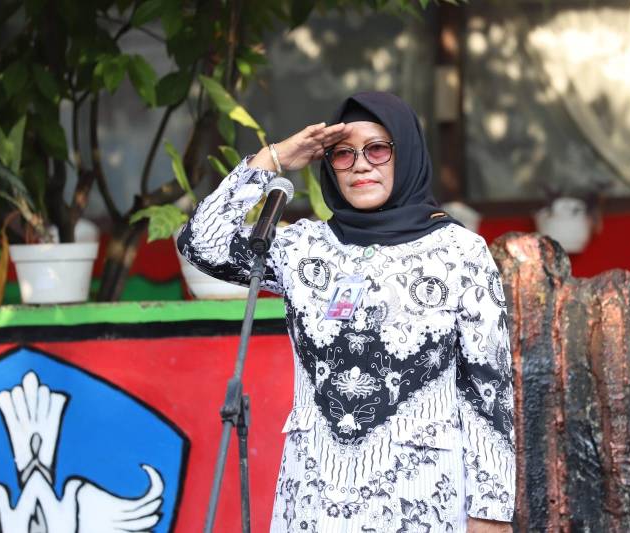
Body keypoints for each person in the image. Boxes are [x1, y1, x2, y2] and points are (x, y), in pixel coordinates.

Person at [177, 91, 515, 532]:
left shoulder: (458, 251)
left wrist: (491, 511)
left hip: (419, 499)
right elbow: (201, 244)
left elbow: (488, 388)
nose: (360, 165)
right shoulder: (303, 248)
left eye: (377, 149)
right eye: (343, 153)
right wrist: (273, 159)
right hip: (314, 496)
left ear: (406, 153)